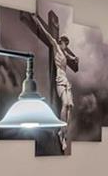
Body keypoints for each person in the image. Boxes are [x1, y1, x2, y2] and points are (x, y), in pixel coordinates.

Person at [20, 9, 79, 154]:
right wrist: (36, 20)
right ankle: (61, 132)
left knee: (70, 106)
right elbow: (47, 34)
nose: (65, 45)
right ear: (61, 42)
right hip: (60, 78)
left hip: (66, 80)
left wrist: (75, 59)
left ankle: (64, 133)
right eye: (64, 42)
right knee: (65, 104)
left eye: (66, 43)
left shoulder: (65, 53)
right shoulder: (56, 47)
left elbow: (72, 58)